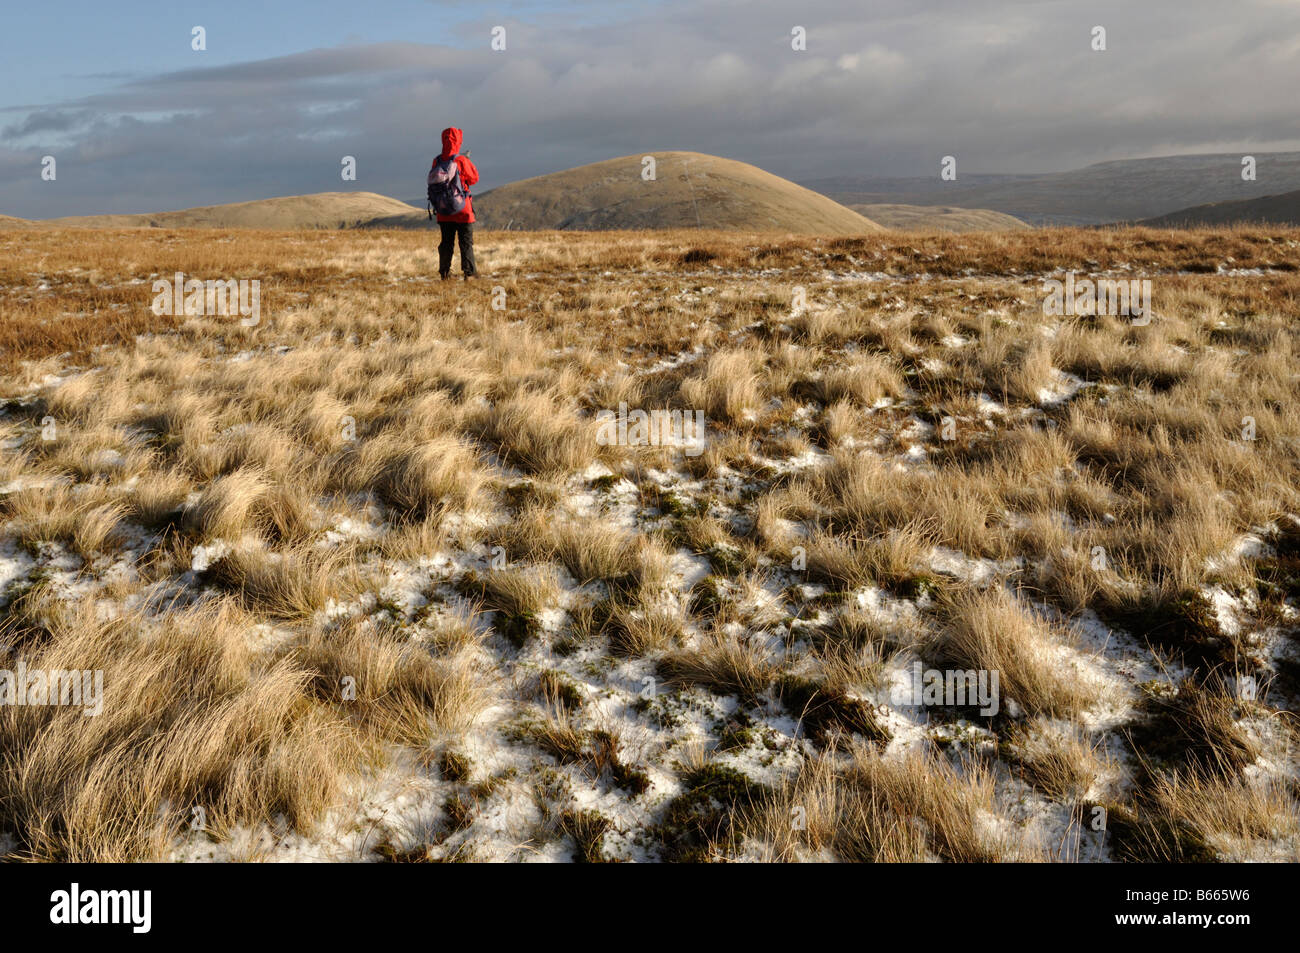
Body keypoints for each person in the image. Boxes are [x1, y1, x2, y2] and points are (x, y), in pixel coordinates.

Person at [430, 127, 480, 280]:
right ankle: (469, 274)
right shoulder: (461, 160)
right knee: (465, 242)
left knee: (446, 243)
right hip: (462, 209)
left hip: (444, 210)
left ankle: (445, 274)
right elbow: (474, 179)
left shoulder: (437, 161)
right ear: (458, 141)